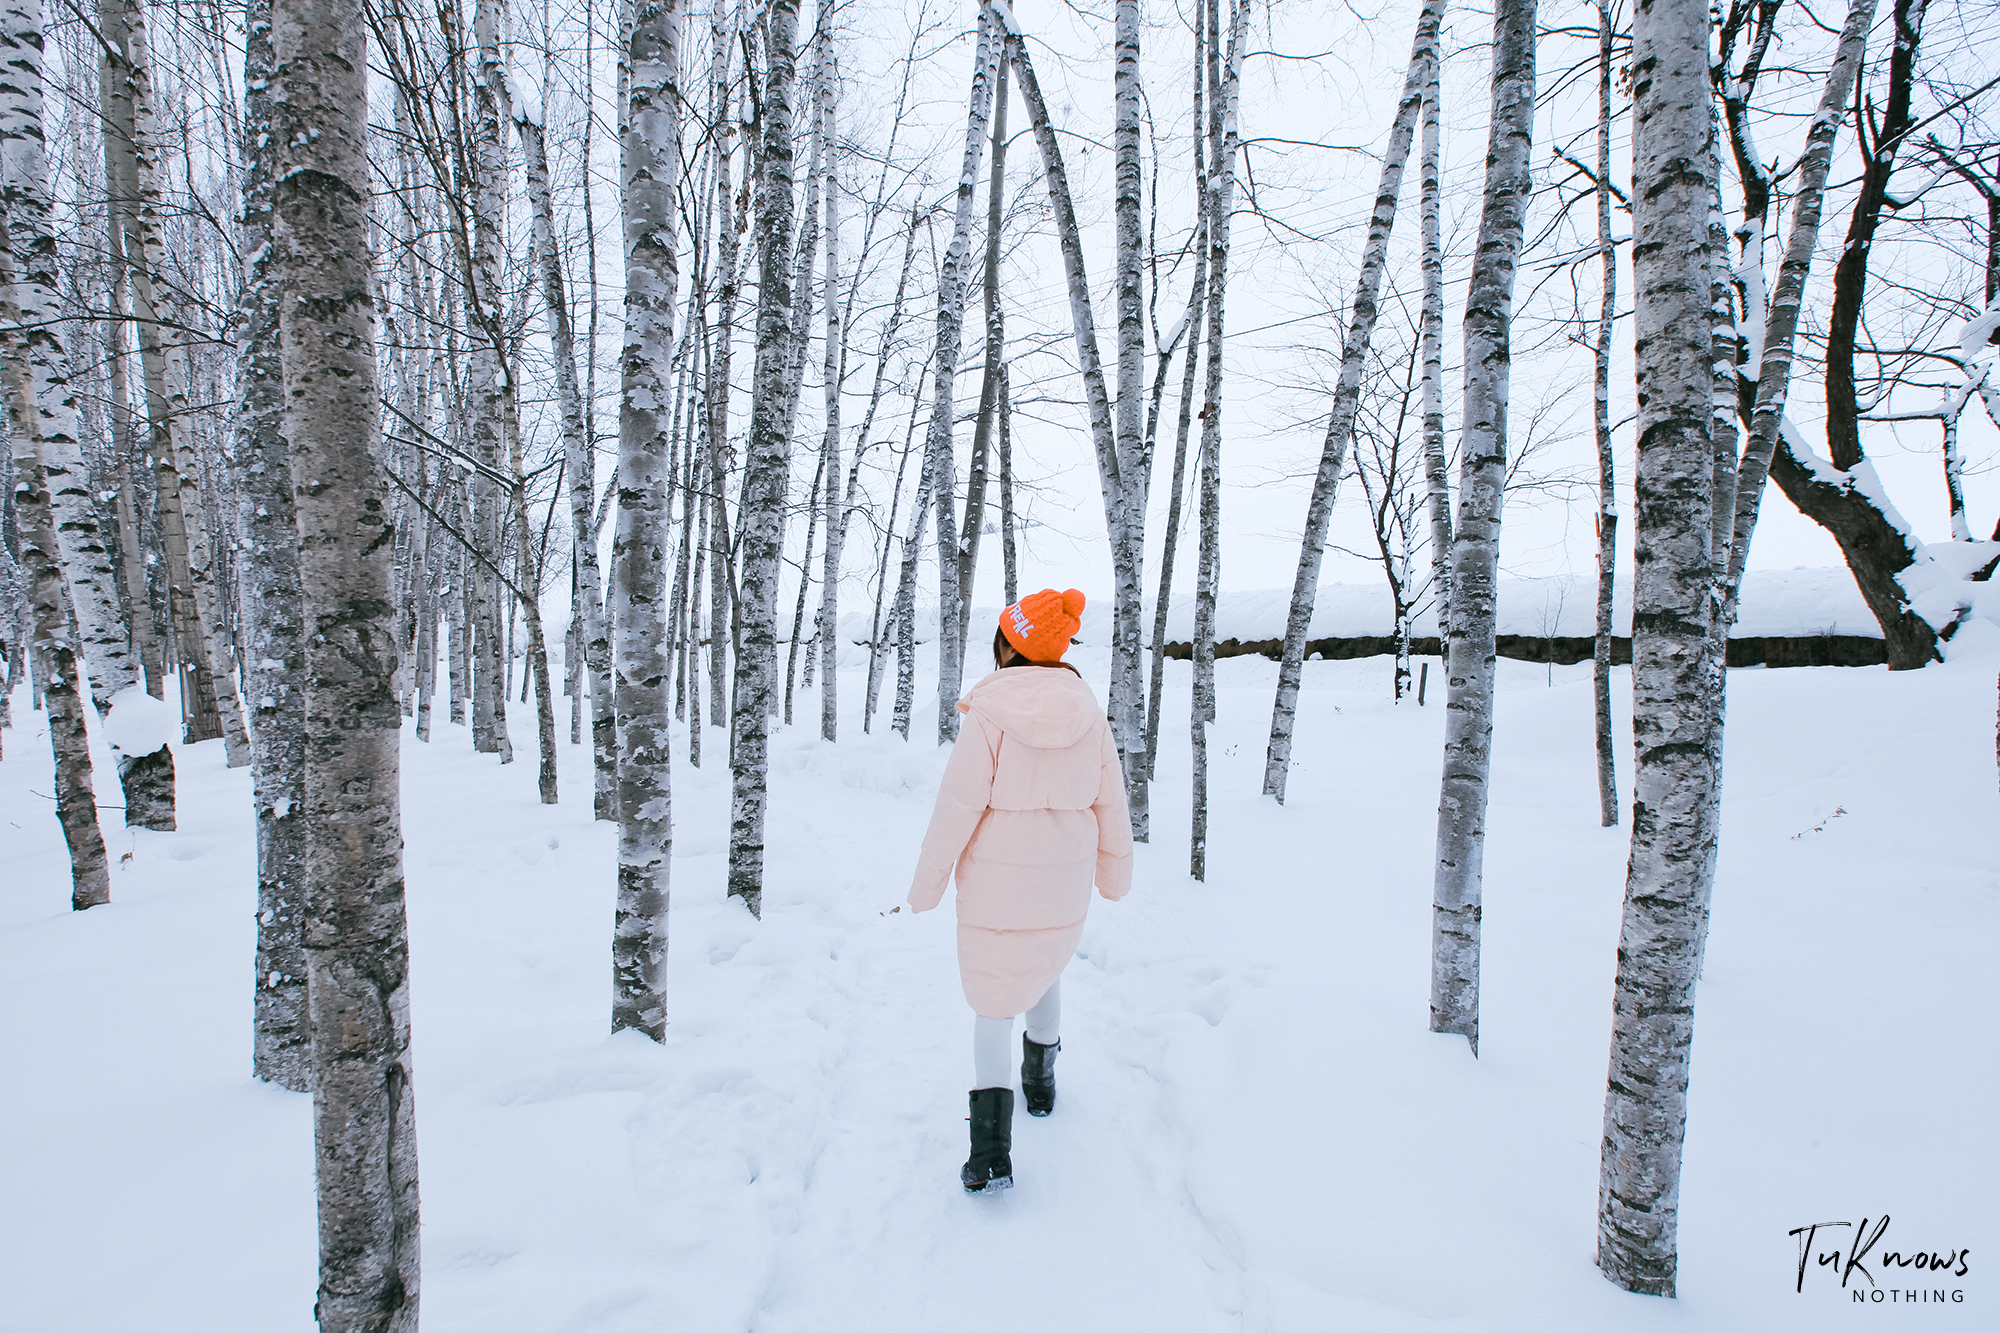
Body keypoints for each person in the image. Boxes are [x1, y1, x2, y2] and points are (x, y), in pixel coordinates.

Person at [907, 588, 1134, 1193]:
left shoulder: (989, 715)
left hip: (997, 884)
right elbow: (1111, 801)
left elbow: (956, 807)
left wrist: (927, 885)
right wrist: (1114, 875)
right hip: (1063, 879)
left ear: (1011, 644)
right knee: (1046, 967)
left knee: (993, 1002)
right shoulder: (1089, 712)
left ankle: (990, 1151)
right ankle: (1041, 1086)